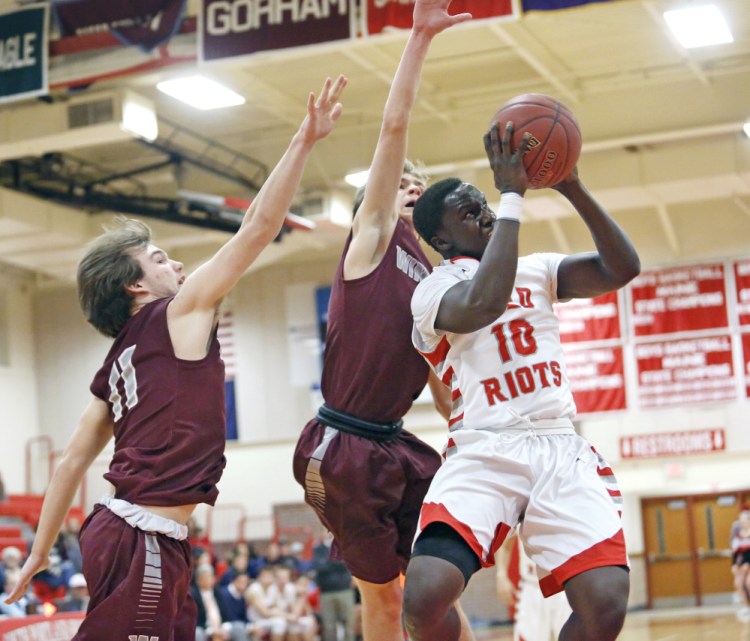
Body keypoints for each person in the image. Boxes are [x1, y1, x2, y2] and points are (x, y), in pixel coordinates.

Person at [4, 75, 347, 640]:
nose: (180, 269)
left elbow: (69, 464)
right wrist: (304, 141)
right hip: (141, 534)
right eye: (161, 260)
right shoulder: (178, 313)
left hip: (136, 533)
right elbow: (259, 228)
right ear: (136, 287)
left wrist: (41, 551)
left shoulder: (116, 362)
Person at [402, 121, 640, 641]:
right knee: (423, 597)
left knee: (605, 604)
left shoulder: (539, 269)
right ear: (442, 239)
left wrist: (570, 185)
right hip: (486, 450)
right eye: (471, 213)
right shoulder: (432, 291)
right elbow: (484, 303)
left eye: (484, 204)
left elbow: (622, 267)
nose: (486, 214)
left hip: (558, 443)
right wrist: (511, 196)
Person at [292, 2, 475, 640]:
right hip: (343, 446)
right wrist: (419, 41)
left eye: (420, 184)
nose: (411, 185)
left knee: (437, 584)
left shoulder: (434, 277)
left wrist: (468, 430)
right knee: (386, 603)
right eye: (402, 180)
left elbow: (435, 373)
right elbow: (394, 130)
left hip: (395, 442)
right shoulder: (370, 238)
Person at [496, 530, 571, 641]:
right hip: (531, 588)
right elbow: (506, 544)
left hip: (564, 588)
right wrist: (501, 575)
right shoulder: (522, 513)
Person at [312, 534, 356, 641]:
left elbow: (345, 563)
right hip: (326, 592)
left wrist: (327, 562)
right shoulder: (318, 549)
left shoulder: (344, 547)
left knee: (349, 623)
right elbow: (318, 566)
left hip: (345, 590)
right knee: (329, 625)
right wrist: (335, 562)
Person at [731, 507, 750, 622]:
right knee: (738, 583)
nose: (742, 522)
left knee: (749, 582)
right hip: (742, 563)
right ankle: (746, 606)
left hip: (748, 563)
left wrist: (747, 563)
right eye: (741, 520)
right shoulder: (737, 536)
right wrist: (733, 565)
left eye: (745, 520)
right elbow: (735, 552)